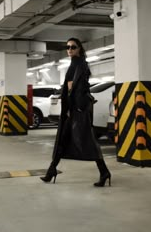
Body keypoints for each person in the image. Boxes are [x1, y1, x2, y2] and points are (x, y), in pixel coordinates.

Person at [40, 37, 111, 187]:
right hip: (71, 110)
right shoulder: (73, 64)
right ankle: (51, 169)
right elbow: (70, 89)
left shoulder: (81, 65)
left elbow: (81, 89)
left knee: (87, 141)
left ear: (79, 48)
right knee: (63, 140)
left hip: (78, 111)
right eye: (68, 47)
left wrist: (77, 108)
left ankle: (104, 171)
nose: (70, 50)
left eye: (73, 47)